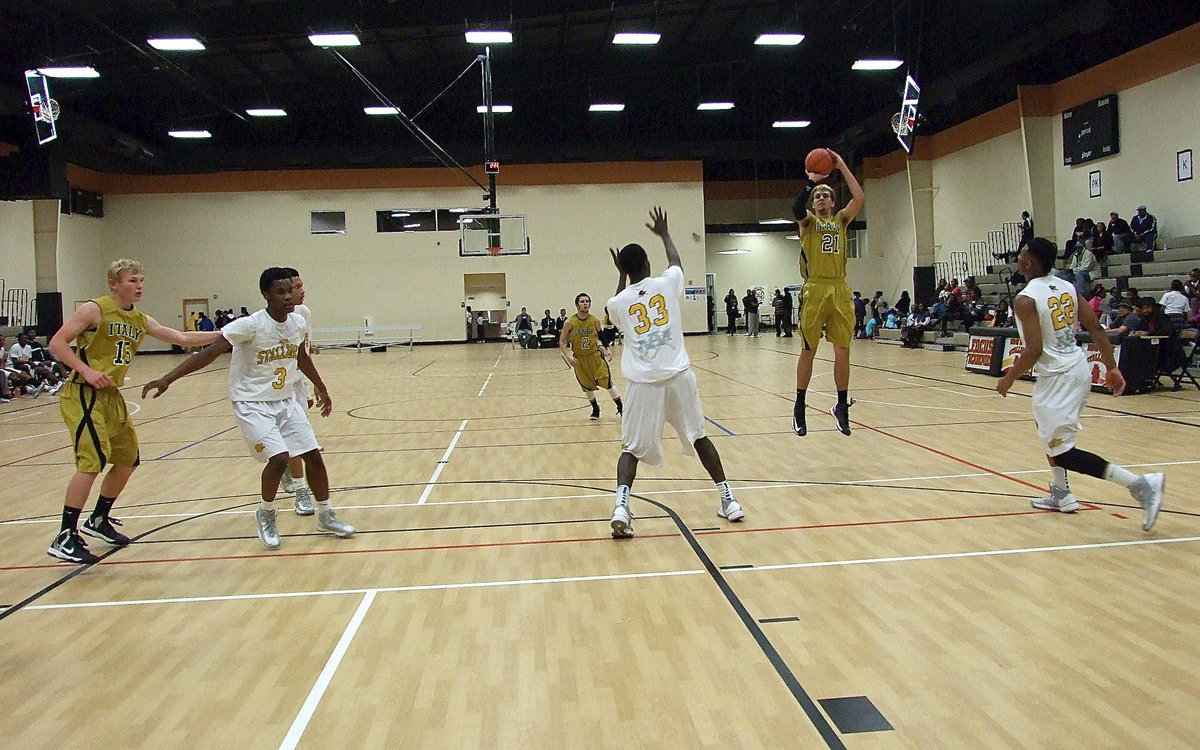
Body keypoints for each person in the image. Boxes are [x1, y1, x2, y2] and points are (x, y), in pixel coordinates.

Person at [142, 267, 354, 550]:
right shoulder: (250, 325)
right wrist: (168, 378)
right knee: (278, 458)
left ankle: (326, 514)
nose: (288, 296)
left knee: (313, 455)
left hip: (285, 400)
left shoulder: (297, 322)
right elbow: (209, 353)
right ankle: (266, 513)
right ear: (266, 295)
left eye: (290, 290)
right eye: (281, 292)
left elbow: (301, 357)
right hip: (252, 403)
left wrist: (322, 387)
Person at [44, 259, 223, 564]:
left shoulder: (140, 319)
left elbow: (180, 338)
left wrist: (226, 335)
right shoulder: (94, 309)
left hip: (112, 396)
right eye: (132, 281)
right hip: (85, 393)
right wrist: (85, 370)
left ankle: (98, 519)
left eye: (141, 280)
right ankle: (64, 536)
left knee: (127, 459)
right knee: (92, 461)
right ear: (113, 284)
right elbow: (57, 343)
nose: (139, 286)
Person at [995, 238, 1164, 530]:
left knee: (1062, 450)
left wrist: (1008, 378)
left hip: (1059, 375)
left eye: (1021, 255)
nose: (1017, 259)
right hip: (1075, 366)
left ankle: (1140, 485)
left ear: (1029, 262)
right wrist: (1111, 366)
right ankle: (1061, 494)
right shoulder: (1067, 286)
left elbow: (1033, 348)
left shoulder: (1025, 299)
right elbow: (1096, 328)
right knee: (1048, 432)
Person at [605, 207, 744, 538]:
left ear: (623, 269)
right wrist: (665, 234)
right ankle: (729, 499)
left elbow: (613, 307)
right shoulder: (667, 284)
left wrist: (621, 275)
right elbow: (677, 263)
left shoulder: (618, 303)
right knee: (699, 436)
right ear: (648, 265)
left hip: (642, 385)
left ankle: (621, 507)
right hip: (679, 377)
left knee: (631, 449)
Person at [790, 149, 865, 436]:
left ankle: (841, 405)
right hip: (815, 289)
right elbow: (796, 208)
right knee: (808, 349)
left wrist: (842, 165)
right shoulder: (808, 222)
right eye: (817, 196)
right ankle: (799, 405)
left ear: (833, 202)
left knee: (842, 350)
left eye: (825, 195)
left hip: (839, 288)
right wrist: (812, 181)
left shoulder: (841, 221)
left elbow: (859, 198)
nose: (821, 198)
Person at [278, 267, 319, 514]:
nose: (302, 292)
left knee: (302, 443)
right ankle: (294, 481)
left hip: (296, 384)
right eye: (296, 288)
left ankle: (302, 489)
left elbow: (304, 353)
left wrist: (312, 387)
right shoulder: (263, 321)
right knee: (288, 445)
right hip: (272, 391)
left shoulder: (303, 315)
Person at [559, 292, 622, 420]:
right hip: (580, 359)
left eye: (587, 301)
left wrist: (608, 348)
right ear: (577, 305)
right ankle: (595, 408)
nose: (585, 303)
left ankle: (621, 407)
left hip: (595, 356)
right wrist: (569, 357)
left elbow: (601, 336)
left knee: (607, 382)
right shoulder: (569, 322)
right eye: (582, 301)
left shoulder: (594, 320)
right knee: (586, 386)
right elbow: (561, 341)